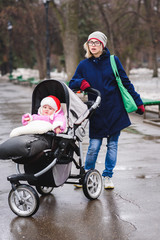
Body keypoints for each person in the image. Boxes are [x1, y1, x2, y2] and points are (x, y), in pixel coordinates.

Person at [69, 31, 145, 189]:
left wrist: (138, 102)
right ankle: (87, 174)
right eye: (91, 43)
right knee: (94, 146)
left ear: (103, 45)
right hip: (96, 111)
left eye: (97, 43)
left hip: (115, 110)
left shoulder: (113, 60)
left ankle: (108, 176)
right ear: (87, 46)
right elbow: (72, 83)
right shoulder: (84, 65)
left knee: (112, 145)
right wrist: (81, 82)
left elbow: (125, 82)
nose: (93, 46)